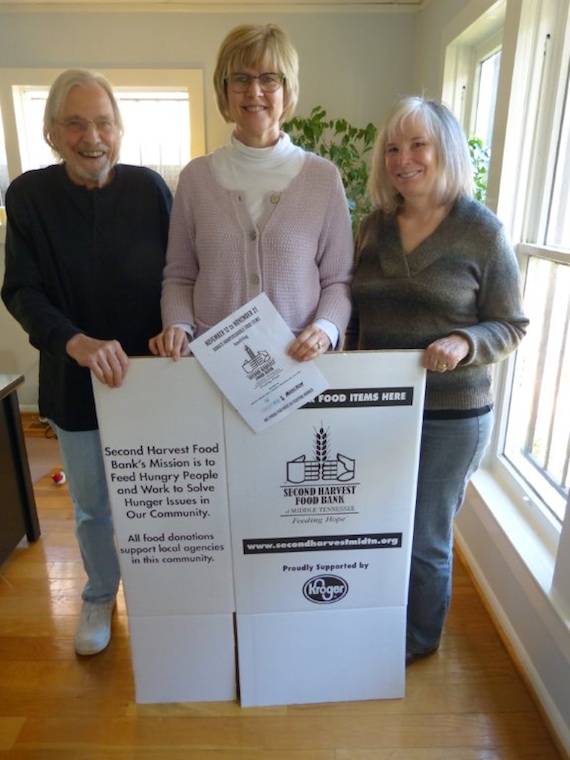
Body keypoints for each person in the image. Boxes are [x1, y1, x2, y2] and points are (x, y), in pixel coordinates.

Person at [345, 96, 528, 665]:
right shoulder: (371, 228)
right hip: (378, 407)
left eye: (417, 144)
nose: (403, 159)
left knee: (425, 537)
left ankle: (416, 641)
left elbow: (512, 324)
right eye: (393, 149)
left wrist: (466, 342)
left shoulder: (483, 233)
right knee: (375, 526)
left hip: (451, 416)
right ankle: (371, 614)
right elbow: (355, 316)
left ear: (444, 148)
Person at [2, 69, 172, 656]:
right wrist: (73, 341)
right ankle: (100, 593)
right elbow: (20, 290)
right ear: (51, 132)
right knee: (93, 506)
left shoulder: (151, 189)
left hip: (155, 380)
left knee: (160, 497)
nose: (91, 136)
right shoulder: (26, 196)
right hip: (75, 384)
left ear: (119, 129)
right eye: (75, 123)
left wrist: (182, 326)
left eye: (103, 122)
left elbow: (182, 275)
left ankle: (162, 593)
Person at [149, 23, 352, 362]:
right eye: (240, 78)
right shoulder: (195, 179)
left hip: (296, 366)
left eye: (269, 78)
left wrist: (327, 328)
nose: (254, 91)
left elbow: (339, 281)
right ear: (224, 89)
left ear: (287, 89)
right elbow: (180, 276)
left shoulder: (323, 179)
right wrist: (179, 324)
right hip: (213, 365)